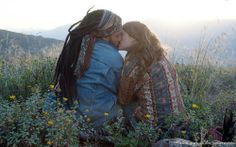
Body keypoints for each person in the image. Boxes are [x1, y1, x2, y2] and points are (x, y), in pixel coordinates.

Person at [44, 9, 123, 128]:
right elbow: (123, 92)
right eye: (118, 35)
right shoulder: (114, 58)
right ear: (108, 32)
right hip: (97, 120)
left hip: (68, 114)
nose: (120, 39)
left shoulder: (76, 48)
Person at [118, 21, 185, 129]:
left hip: (153, 129)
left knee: (125, 105)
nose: (118, 38)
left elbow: (123, 99)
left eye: (122, 34)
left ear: (134, 37)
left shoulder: (134, 63)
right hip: (180, 124)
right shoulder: (159, 56)